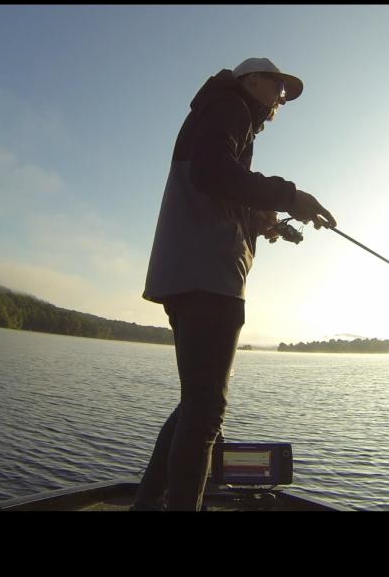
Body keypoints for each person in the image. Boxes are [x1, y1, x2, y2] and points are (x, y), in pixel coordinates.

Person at [132, 58, 336, 511]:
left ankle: (147, 504)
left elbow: (214, 184)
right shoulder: (230, 107)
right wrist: (291, 196)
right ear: (252, 80)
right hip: (208, 277)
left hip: (186, 273)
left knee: (195, 404)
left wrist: (258, 216)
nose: (282, 98)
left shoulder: (220, 113)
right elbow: (211, 172)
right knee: (205, 411)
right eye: (279, 87)